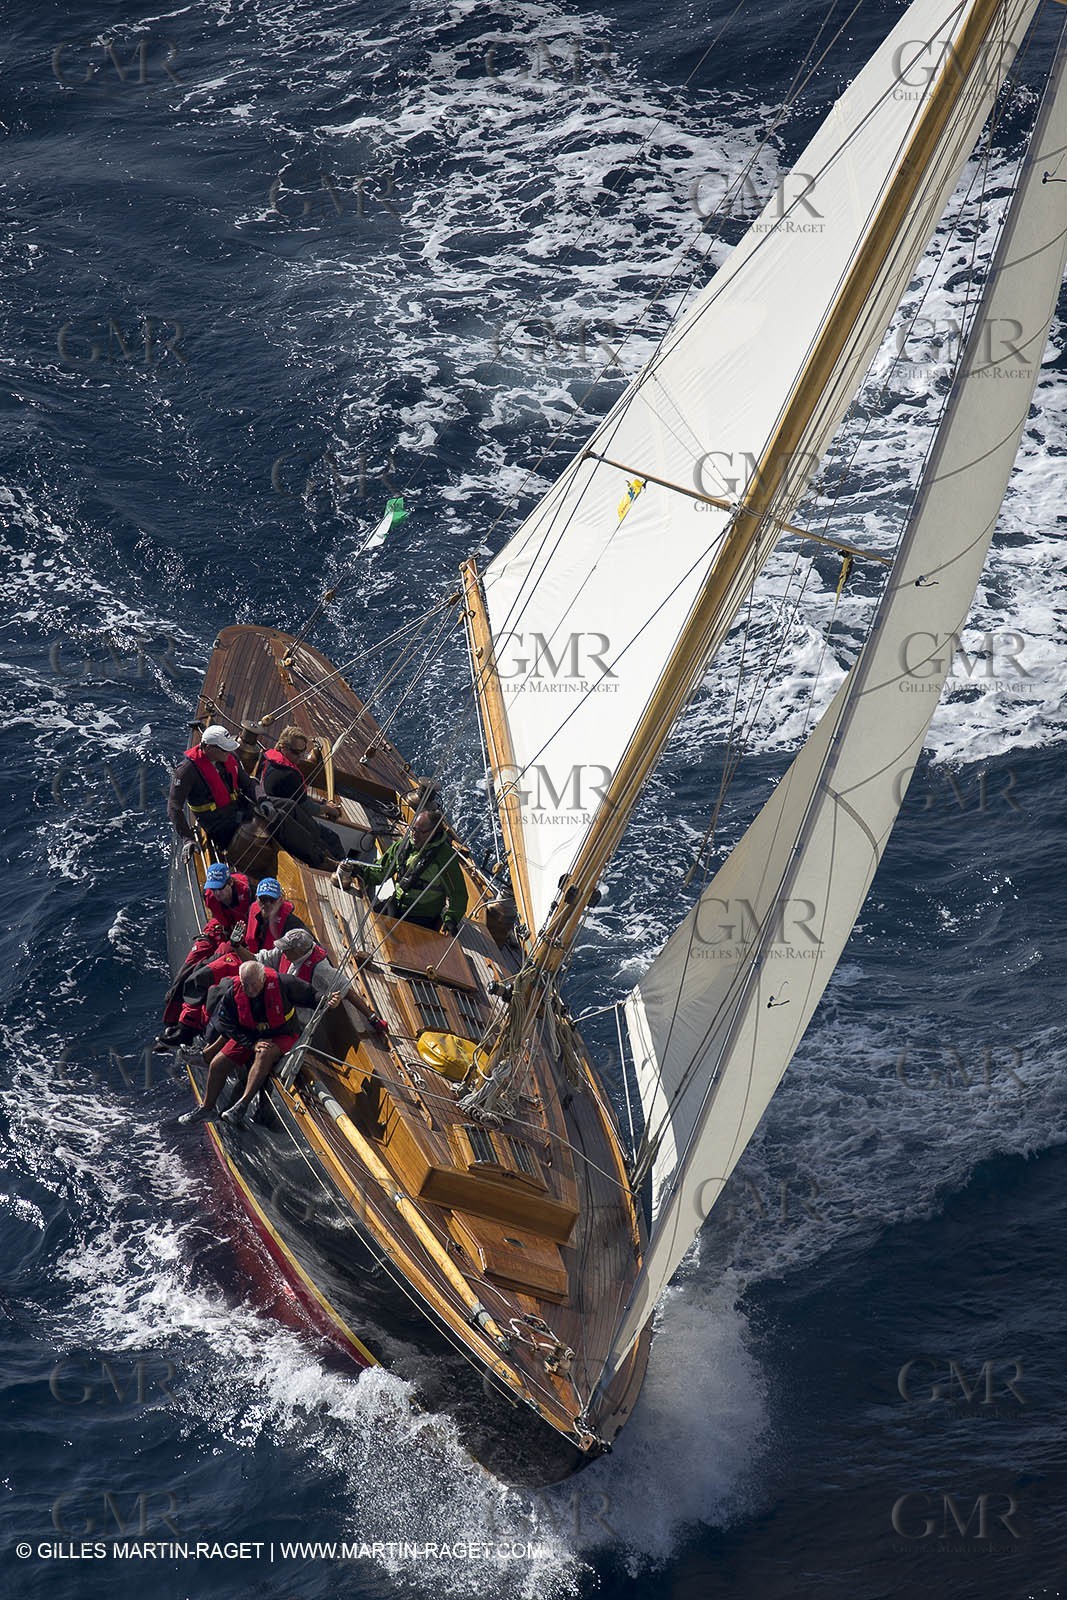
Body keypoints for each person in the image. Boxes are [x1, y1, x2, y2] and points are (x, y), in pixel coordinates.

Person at [179, 960, 331, 1126]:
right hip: (250, 1035)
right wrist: (250, 1043)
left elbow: (312, 996)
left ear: (263, 977)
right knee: (217, 1064)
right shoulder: (233, 992)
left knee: (264, 1054)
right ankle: (207, 1108)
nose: (249, 990)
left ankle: (242, 1105)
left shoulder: (284, 983)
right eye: (245, 984)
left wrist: (327, 1001)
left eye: (253, 984)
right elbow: (226, 1021)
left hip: (282, 1034)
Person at [342, 810, 467, 933]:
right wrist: (361, 872)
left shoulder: (445, 858)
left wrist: (451, 919)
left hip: (422, 916)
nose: (414, 834)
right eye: (413, 829)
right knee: (369, 926)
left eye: (420, 831)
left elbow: (458, 895)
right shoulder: (402, 846)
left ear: (433, 832)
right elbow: (381, 870)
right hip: (395, 904)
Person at [258, 927, 388, 1034]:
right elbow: (261, 958)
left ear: (298, 952)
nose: (282, 951)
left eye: (286, 949)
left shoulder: (321, 969)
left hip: (297, 1019)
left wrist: (373, 1019)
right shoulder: (287, 952)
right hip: (278, 1004)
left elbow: (346, 988)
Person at [259, 726, 344, 868]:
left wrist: (323, 804)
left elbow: (298, 798)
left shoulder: (268, 759)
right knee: (331, 838)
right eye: (296, 752)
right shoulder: (289, 775)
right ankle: (346, 870)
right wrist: (330, 810)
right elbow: (308, 808)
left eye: (303, 752)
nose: (300, 757)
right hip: (285, 820)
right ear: (283, 747)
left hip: (274, 808)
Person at [168, 725, 258, 851]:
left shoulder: (228, 757)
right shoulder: (186, 771)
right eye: (224, 749)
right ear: (209, 748)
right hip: (217, 823)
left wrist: (263, 800)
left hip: (238, 809)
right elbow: (174, 807)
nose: (228, 752)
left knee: (276, 815)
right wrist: (188, 839)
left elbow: (247, 784)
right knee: (250, 841)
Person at [243, 877, 304, 953]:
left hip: (274, 962)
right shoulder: (252, 910)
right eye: (263, 899)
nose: (267, 904)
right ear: (256, 898)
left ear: (280, 900)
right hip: (253, 957)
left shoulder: (291, 922)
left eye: (272, 900)